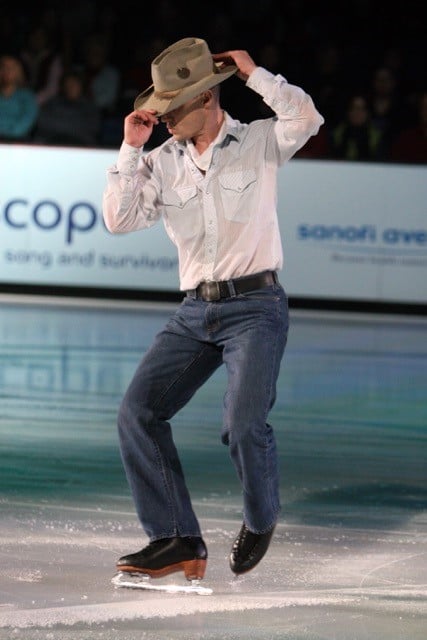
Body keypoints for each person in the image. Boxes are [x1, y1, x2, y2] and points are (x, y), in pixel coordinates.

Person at [102, 37, 324, 583]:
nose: (163, 115)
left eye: (173, 104)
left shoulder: (258, 141)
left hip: (255, 306)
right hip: (194, 313)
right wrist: (130, 148)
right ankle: (176, 538)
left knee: (243, 425)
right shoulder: (159, 161)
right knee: (137, 412)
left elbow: (307, 118)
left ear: (206, 98)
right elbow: (119, 220)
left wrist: (255, 74)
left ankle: (260, 517)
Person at [33, 69, 100, 147]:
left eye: (74, 84)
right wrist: (73, 123)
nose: (71, 87)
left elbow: (92, 127)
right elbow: (42, 121)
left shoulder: (90, 107)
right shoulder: (53, 103)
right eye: (68, 84)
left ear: (82, 86)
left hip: (80, 146)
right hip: (52, 144)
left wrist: (60, 123)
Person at [0, 54, 38, 142]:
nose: (7, 71)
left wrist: (7, 134)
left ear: (18, 71)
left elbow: (27, 120)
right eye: (4, 67)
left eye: (12, 68)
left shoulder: (27, 97)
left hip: (17, 142)